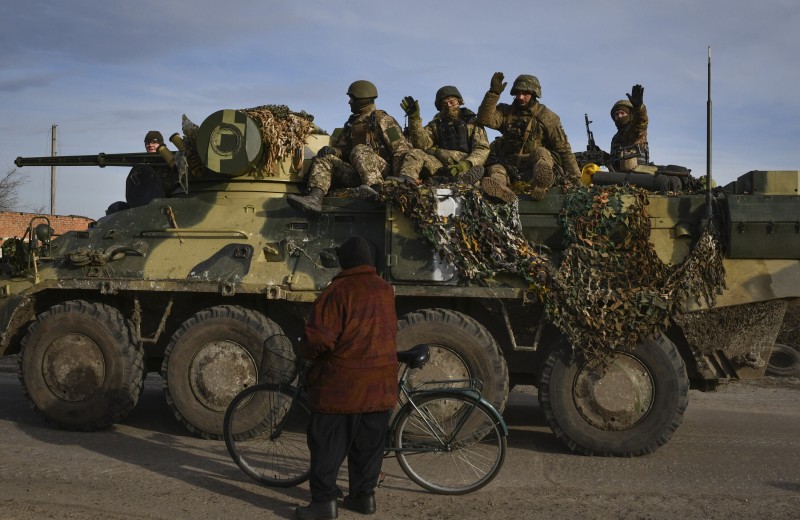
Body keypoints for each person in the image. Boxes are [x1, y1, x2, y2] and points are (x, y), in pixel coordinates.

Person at [294, 236, 398, 520]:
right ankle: (364, 498)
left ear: (344, 261)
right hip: (382, 385)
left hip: (342, 387)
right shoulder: (385, 289)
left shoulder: (338, 291)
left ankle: (324, 504)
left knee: (327, 445)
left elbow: (319, 340)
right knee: (368, 446)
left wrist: (304, 348)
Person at [287, 81, 411, 214]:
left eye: (352, 98)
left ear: (362, 99)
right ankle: (315, 198)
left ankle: (377, 191)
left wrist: (399, 183)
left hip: (383, 174)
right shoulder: (351, 124)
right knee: (325, 157)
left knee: (359, 149)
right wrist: (335, 151)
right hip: (359, 174)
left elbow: (401, 150)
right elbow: (344, 150)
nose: (349, 102)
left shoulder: (384, 120)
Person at [476, 72, 581, 203]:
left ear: (534, 94)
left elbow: (563, 148)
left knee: (541, 153)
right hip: (510, 166)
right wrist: (493, 93)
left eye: (525, 93)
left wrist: (576, 178)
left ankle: (540, 184)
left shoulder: (547, 116)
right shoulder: (505, 112)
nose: (520, 97)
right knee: (497, 169)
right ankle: (501, 190)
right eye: (517, 93)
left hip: (532, 168)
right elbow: (484, 119)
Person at [397, 85, 489, 185]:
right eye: (444, 104)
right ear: (440, 107)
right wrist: (414, 119)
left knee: (468, 178)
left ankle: (454, 181)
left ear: (459, 101)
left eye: (452, 102)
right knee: (415, 153)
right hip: (439, 166)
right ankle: (405, 185)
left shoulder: (472, 122)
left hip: (464, 166)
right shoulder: (435, 124)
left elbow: (482, 148)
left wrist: (466, 164)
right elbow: (422, 144)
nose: (448, 105)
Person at [609, 84, 649, 172]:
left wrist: (639, 108)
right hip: (618, 176)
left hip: (638, 175)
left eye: (622, 113)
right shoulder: (616, 137)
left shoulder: (634, 129)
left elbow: (640, 121)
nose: (619, 116)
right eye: (616, 114)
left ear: (630, 115)